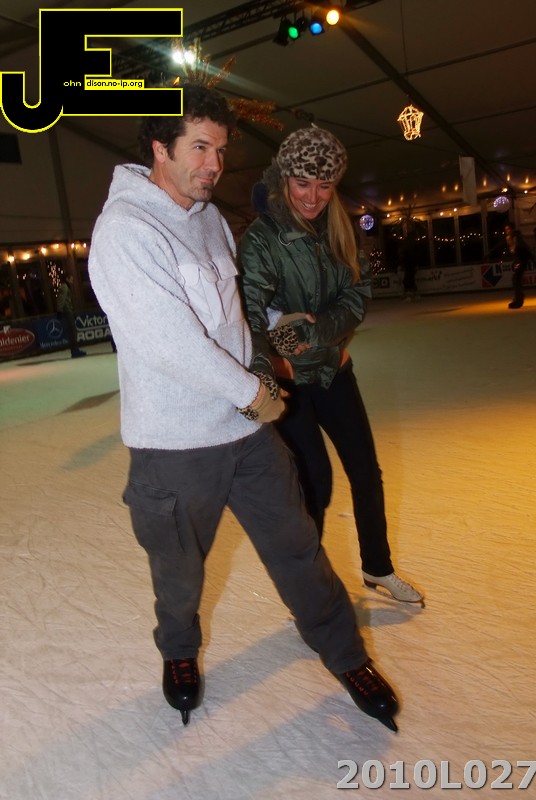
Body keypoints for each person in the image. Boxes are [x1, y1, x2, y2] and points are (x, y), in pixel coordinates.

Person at [88, 84, 399, 732]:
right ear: (160, 147)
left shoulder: (206, 218)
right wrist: (256, 391)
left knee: (298, 548)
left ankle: (346, 656)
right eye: (200, 147)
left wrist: (262, 370)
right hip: (174, 445)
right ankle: (179, 652)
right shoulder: (125, 231)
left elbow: (236, 319)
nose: (214, 164)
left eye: (222, 150)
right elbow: (168, 340)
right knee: (178, 571)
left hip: (244, 433)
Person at [238, 125, 424, 607]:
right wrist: (267, 366)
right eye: (303, 183)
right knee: (314, 483)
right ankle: (309, 588)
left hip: (335, 370)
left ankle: (377, 566)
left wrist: (317, 330)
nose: (313, 197)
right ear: (284, 178)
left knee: (366, 473)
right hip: (291, 383)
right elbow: (250, 313)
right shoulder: (262, 238)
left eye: (324, 186)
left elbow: (356, 295)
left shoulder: (340, 228)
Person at [56, 273, 87, 358]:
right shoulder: (64, 287)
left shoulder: (66, 287)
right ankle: (74, 350)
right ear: (67, 279)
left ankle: (75, 349)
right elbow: (61, 299)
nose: (72, 281)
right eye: (71, 279)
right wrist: (59, 310)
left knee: (73, 331)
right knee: (72, 331)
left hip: (69, 311)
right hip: (67, 312)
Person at [505, 226, 532, 309]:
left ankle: (518, 299)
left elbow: (522, 250)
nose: (507, 231)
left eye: (509, 229)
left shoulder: (516, 238)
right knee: (516, 280)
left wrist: (519, 261)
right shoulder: (511, 239)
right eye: (506, 229)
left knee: (516, 279)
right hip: (520, 261)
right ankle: (518, 298)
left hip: (522, 261)